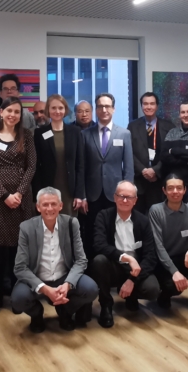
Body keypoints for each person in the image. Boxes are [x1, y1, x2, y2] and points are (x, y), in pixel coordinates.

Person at [11, 188, 99, 333]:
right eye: (45, 204)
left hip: (63, 277)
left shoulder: (71, 223)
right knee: (18, 300)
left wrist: (67, 285)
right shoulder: (26, 228)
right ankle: (37, 314)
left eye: (53, 204)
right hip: (37, 279)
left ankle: (65, 310)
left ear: (61, 206)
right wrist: (45, 289)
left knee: (91, 289)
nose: (50, 208)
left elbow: (81, 260)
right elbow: (20, 268)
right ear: (38, 207)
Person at [0, 97, 37, 316]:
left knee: (18, 252)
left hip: (21, 199)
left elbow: (31, 167)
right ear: (1, 112)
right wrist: (5, 195)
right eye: (9, 111)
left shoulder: (27, 136)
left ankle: (17, 297)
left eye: (17, 112)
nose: (13, 115)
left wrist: (19, 193)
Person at [90, 181, 161, 328]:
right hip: (113, 265)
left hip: (135, 269)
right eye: (121, 196)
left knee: (152, 289)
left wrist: (132, 280)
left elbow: (150, 256)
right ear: (114, 197)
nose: (124, 200)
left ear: (135, 200)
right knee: (99, 261)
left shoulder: (143, 221)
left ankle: (131, 295)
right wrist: (125, 257)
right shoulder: (103, 216)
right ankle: (106, 305)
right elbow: (99, 245)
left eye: (129, 197)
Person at [149, 175, 188, 319]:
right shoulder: (156, 210)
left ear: (184, 190)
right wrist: (174, 272)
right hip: (164, 263)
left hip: (185, 258)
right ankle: (165, 294)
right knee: (173, 287)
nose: (175, 191)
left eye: (179, 188)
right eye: (171, 188)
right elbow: (158, 246)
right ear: (164, 191)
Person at [80, 93, 133, 259]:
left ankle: (113, 265)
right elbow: (81, 168)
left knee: (114, 231)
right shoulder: (85, 134)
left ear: (113, 109)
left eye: (107, 106)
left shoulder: (124, 134)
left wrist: (128, 195)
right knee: (91, 232)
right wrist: (82, 195)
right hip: (92, 194)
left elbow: (128, 166)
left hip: (115, 194)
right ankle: (92, 267)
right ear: (96, 110)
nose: (104, 109)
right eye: (100, 106)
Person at [32, 94, 84, 215]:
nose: (57, 111)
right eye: (53, 108)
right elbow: (36, 167)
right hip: (47, 188)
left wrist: (79, 194)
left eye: (60, 108)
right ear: (48, 110)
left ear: (65, 110)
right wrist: (37, 194)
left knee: (69, 223)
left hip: (69, 190)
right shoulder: (40, 133)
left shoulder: (75, 132)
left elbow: (80, 165)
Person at [128, 92, 174, 213]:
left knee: (159, 216)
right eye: (145, 104)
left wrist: (155, 170)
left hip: (160, 180)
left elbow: (171, 152)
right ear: (141, 106)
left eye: (152, 104)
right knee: (138, 217)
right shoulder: (132, 126)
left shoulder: (168, 126)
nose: (148, 107)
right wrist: (143, 170)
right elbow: (129, 152)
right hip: (139, 181)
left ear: (157, 106)